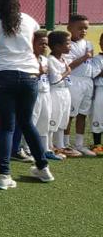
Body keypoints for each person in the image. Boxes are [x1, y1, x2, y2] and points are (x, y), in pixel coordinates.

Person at [0, 0, 54, 190]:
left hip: (3, 75)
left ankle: (4, 174)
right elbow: (35, 44)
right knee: (27, 123)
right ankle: (43, 168)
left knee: (6, 126)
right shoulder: (29, 20)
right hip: (30, 75)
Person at [62, 14, 95, 156]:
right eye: (80, 28)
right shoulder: (68, 45)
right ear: (69, 28)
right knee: (70, 114)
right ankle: (65, 144)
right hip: (74, 81)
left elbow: (91, 63)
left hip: (88, 81)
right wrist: (85, 57)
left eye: (86, 28)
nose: (83, 31)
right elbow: (69, 65)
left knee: (83, 114)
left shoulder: (88, 44)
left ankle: (79, 144)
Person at [32, 30, 61, 161]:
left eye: (46, 44)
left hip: (46, 93)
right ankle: (27, 149)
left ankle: (44, 149)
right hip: (34, 94)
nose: (44, 46)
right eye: (41, 44)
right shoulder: (28, 59)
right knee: (32, 122)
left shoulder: (45, 59)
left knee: (45, 122)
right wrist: (38, 72)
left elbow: (52, 77)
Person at [47, 30, 74, 158]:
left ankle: (60, 145)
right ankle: (49, 146)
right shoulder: (51, 60)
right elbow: (55, 79)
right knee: (54, 118)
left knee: (63, 118)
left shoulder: (63, 59)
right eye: (67, 43)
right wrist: (67, 72)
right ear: (57, 46)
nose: (70, 46)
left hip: (65, 91)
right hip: (55, 92)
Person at [90, 33, 103, 154]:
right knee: (98, 116)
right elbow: (94, 74)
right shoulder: (97, 59)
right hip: (100, 89)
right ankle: (97, 144)